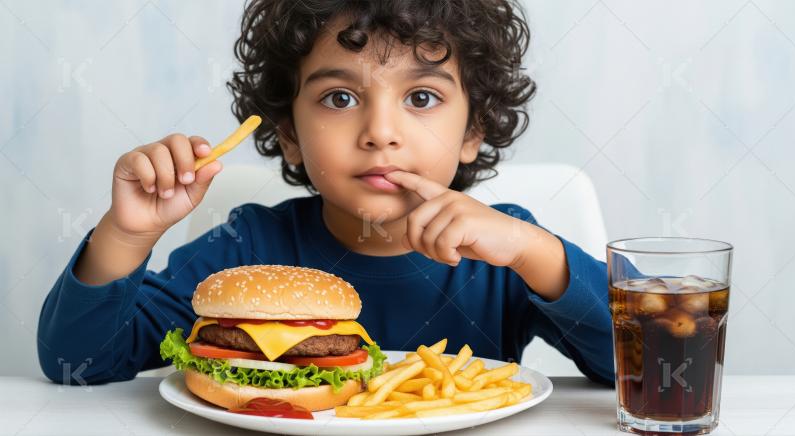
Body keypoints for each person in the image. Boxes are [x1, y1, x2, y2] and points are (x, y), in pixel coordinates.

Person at [38, 0, 614, 387]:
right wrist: (127, 234)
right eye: (340, 98)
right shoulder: (247, 246)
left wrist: (535, 253)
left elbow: (638, 362)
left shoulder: (506, 250)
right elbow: (78, 365)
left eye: (421, 99)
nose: (380, 132)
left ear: (472, 131)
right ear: (289, 133)